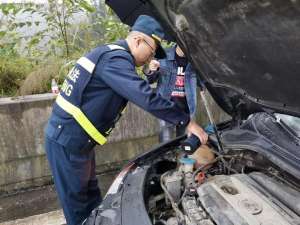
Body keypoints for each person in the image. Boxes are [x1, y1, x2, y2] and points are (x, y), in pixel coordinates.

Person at [44, 15, 208, 225]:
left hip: (76, 142)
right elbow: (144, 96)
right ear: (139, 40)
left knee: (92, 199)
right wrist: (187, 122)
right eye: (151, 50)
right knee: (78, 207)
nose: (150, 58)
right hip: (68, 142)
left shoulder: (111, 56)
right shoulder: (114, 59)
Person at [144, 44, 202, 142]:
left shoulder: (194, 59)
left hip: (186, 109)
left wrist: (202, 87)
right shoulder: (163, 55)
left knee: (183, 143)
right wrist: (150, 69)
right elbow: (150, 80)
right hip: (166, 107)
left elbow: (201, 78)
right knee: (165, 144)